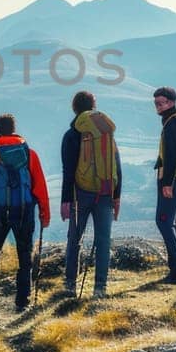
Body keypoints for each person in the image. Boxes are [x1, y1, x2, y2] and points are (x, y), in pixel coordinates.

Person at [0, 113, 51, 311]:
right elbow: (40, 187)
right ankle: (22, 302)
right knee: (25, 257)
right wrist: (45, 214)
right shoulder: (29, 153)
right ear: (14, 128)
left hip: (0, 213)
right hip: (25, 212)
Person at [61, 90, 122, 298]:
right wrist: (116, 196)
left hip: (81, 194)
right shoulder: (105, 133)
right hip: (105, 193)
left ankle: (70, 284)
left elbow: (68, 170)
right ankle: (100, 288)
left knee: (74, 238)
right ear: (93, 107)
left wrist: (66, 200)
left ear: (74, 108)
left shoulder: (72, 134)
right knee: (103, 240)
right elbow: (116, 165)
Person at [153, 87, 176, 284]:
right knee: (174, 222)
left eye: (161, 103)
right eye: (156, 103)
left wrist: (167, 183)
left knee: (163, 221)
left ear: (171, 102)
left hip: (173, 179)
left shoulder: (173, 123)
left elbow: (172, 155)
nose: (158, 107)